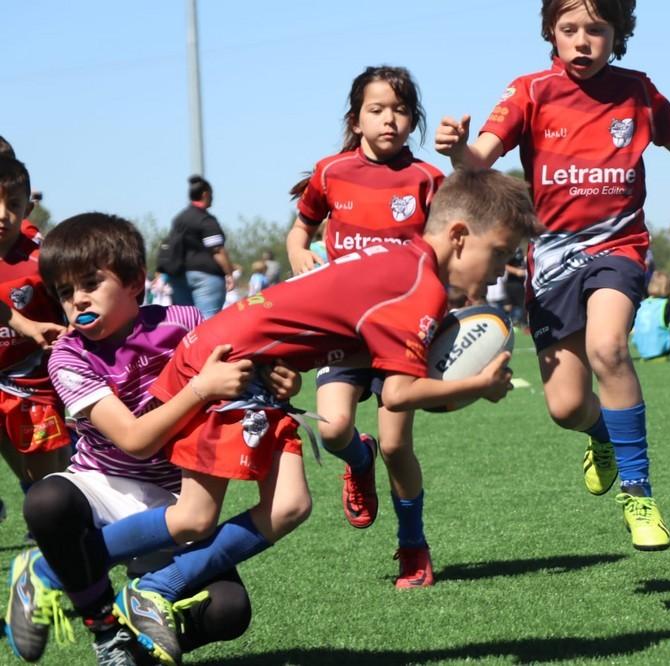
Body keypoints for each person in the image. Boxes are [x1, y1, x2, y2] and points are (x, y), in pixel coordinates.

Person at [68, 168, 532, 665]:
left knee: (288, 506)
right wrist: (477, 386)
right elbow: (397, 394)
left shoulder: (404, 259)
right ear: (460, 237)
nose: (500, 270)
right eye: (500, 253)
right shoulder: (421, 285)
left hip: (251, 366)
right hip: (232, 366)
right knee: (194, 516)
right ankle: (71, 572)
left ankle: (142, 584)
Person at [434, 0, 670, 550]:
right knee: (566, 407)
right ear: (551, 33)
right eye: (569, 30)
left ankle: (639, 495)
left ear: (618, 34)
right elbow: (480, 157)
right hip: (551, 261)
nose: (582, 40)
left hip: (618, 248)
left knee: (608, 348)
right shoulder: (529, 91)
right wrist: (457, 148)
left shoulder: (638, 92)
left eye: (597, 29)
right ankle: (600, 434)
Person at [5, 213, 266, 664]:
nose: (77, 300)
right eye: (65, 293)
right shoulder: (68, 355)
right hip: (105, 486)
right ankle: (102, 628)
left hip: (177, 497)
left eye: (90, 283)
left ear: (134, 283)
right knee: (47, 502)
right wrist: (201, 387)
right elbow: (134, 439)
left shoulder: (186, 321)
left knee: (229, 612)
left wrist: (271, 377)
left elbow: (248, 360)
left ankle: (133, 650)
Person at [285, 65, 448, 587]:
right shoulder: (330, 172)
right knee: (332, 431)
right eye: (377, 110)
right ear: (355, 120)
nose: (389, 120)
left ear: (413, 119)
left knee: (399, 446)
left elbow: (447, 250)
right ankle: (359, 460)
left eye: (400, 110)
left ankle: (413, 546)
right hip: (342, 331)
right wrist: (298, 256)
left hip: (402, 336)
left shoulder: (427, 180)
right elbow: (301, 229)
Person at [0, 157, 72, 533]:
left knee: (45, 473)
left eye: (13, 205)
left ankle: (58, 519)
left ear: (27, 208)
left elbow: (73, 303)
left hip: (30, 379)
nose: (3, 215)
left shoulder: (41, 257)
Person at [167, 176, 235, 319]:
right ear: (205, 194)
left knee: (184, 322)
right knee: (207, 323)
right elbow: (217, 250)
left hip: (179, 276)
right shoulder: (205, 220)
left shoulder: (179, 219)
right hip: (206, 276)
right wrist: (229, 273)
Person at [631, 271, 670, 361]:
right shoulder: (668, 304)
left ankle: (648, 353)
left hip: (641, 348)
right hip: (660, 348)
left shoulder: (642, 304)